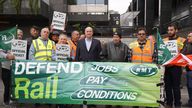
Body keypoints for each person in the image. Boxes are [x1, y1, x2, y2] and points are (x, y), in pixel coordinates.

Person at [163, 24, 185, 108]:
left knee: (176, 87)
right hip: (167, 67)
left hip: (176, 67)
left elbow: (184, 52)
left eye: (171, 30)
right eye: (168, 30)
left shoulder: (182, 40)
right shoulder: (164, 40)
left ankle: (177, 104)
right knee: (167, 87)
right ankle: (169, 103)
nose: (169, 32)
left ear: (176, 30)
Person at [181, 33, 192, 107]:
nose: (187, 37)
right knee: (189, 85)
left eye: (190, 36)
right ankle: (190, 101)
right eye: (187, 36)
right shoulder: (187, 44)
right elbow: (183, 53)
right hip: (189, 68)